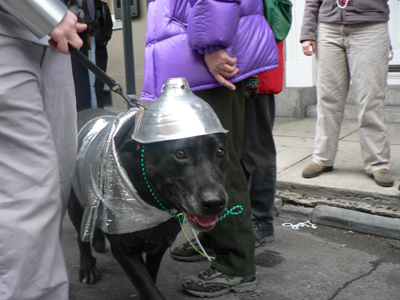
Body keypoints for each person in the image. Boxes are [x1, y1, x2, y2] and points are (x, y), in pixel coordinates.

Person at [141, 0, 278, 297]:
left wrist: (212, 44)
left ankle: (235, 265)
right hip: (194, 49)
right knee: (205, 164)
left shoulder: (210, 47)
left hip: (207, 54)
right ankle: (216, 245)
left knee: (217, 166)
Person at [0, 1, 86, 299]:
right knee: (29, 192)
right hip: (13, 28)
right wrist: (45, 10)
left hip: (52, 41)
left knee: (58, 179)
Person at [300, 0, 393, 187]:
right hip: (328, 28)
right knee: (327, 98)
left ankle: (377, 163)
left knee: (370, 99)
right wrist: (307, 32)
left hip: (370, 26)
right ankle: (322, 158)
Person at [242, 41, 285, 246]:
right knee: (230, 152)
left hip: (253, 74)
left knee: (257, 149)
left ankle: (260, 220)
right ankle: (234, 220)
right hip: (231, 74)